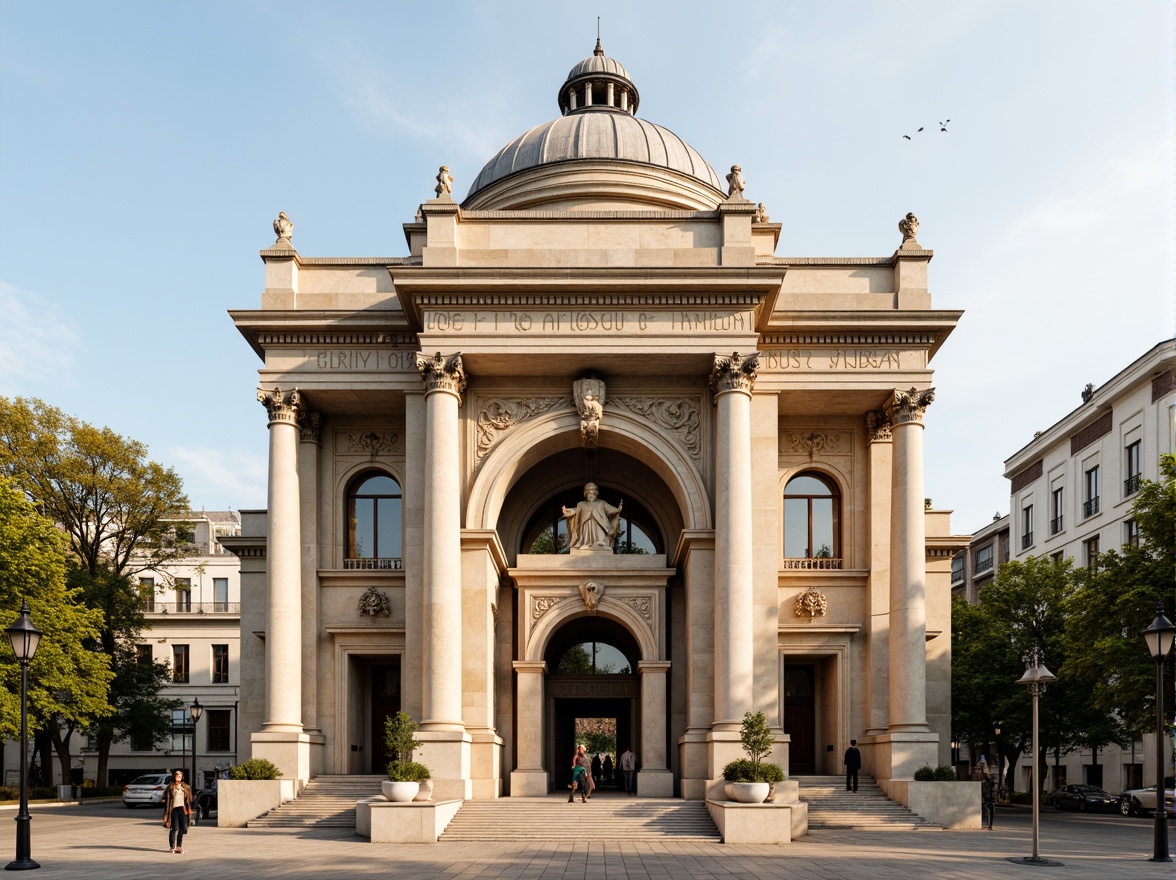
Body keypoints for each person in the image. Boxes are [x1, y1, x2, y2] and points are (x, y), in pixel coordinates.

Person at [562, 483, 623, 550]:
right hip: (586, 524)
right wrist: (568, 511)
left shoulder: (601, 503)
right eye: (589, 494)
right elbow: (576, 512)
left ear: (596, 493)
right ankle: (586, 544)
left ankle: (600, 544)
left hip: (599, 525)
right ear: (586, 494)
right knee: (586, 535)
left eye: (593, 494)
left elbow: (610, 509)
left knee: (600, 535)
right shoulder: (581, 504)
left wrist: (618, 509)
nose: (591, 495)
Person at [161, 769, 194, 854]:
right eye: (177, 776)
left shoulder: (186, 787)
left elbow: (190, 798)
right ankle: (172, 846)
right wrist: (165, 803)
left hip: (183, 809)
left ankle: (179, 846)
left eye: (180, 776)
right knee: (174, 828)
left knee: (183, 828)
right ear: (174, 776)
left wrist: (187, 795)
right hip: (173, 809)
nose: (179, 777)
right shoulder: (170, 787)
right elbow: (164, 797)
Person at [980, 764, 997, 830]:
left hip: (990, 799)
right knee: (987, 812)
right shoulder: (983, 783)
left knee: (991, 812)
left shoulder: (992, 783)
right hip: (986, 799)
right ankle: (988, 825)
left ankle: (990, 825)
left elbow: (993, 790)